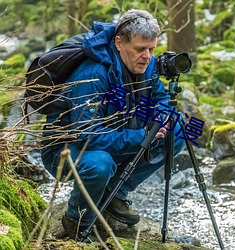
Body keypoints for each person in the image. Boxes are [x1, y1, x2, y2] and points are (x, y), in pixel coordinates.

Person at [41, 9, 186, 241]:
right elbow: (87, 135)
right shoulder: (92, 75)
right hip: (67, 149)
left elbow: (160, 99)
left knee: (178, 131)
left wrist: (160, 121)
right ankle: (76, 221)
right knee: (100, 164)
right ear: (119, 43)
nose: (147, 56)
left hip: (118, 134)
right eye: (140, 49)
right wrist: (142, 135)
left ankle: (115, 193)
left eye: (152, 49)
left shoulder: (145, 65)